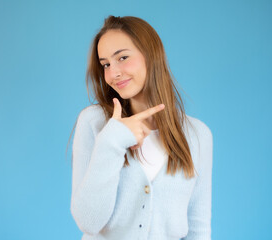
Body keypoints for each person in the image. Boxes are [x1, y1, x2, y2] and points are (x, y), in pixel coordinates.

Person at [70, 15, 213, 240]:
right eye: (106, 64)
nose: (113, 73)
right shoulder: (94, 123)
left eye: (123, 57)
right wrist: (112, 141)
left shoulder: (198, 135)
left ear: (151, 55)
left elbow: (198, 228)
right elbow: (88, 221)